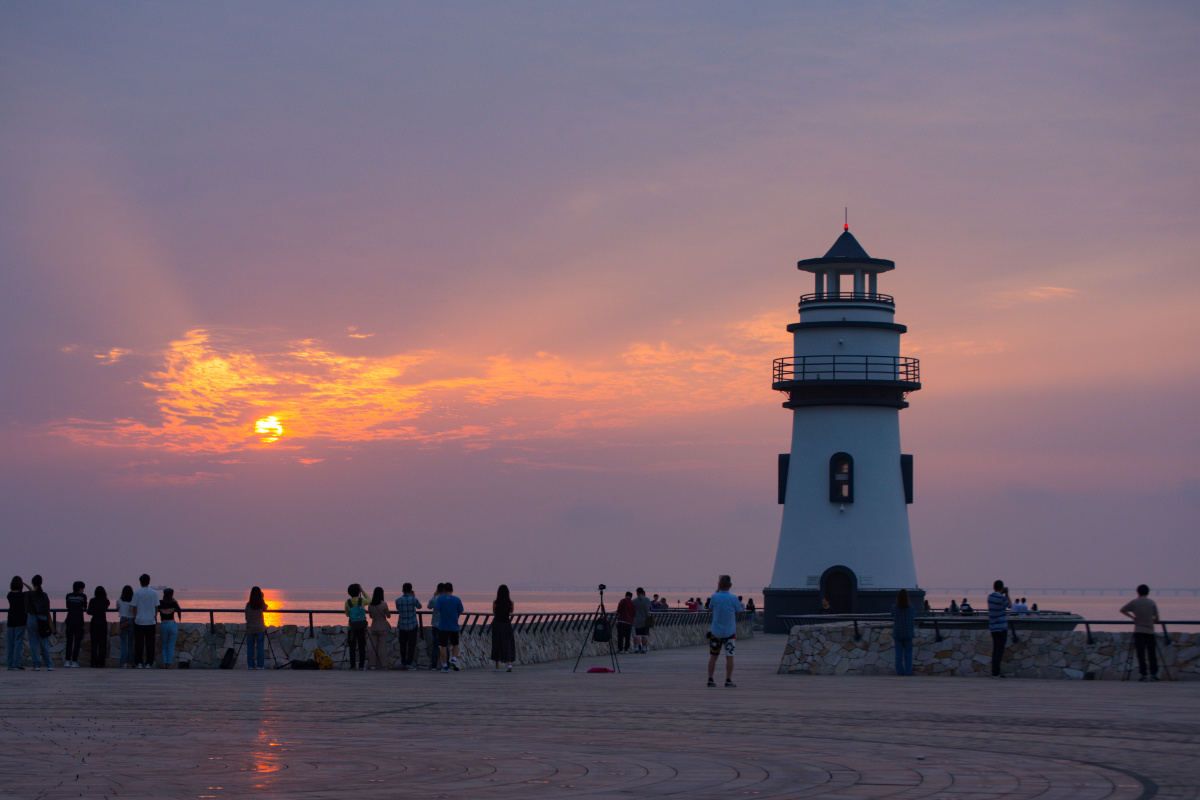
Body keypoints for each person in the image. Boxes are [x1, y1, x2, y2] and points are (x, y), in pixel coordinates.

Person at [706, 575, 744, 687]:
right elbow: (738, 611)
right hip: (730, 632)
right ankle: (728, 680)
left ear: (719, 584)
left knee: (713, 656)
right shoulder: (734, 598)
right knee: (730, 656)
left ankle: (710, 679)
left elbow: (710, 608)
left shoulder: (714, 596)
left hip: (715, 632)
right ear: (730, 585)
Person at [1120, 585, 1161, 682]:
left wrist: (1133, 618)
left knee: (1140, 654)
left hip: (1138, 631)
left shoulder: (1135, 602)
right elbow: (1157, 618)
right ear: (1148, 592)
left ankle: (1144, 674)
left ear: (1138, 592)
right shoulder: (1151, 603)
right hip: (1150, 631)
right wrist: (1152, 620)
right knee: (1151, 653)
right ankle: (1154, 674)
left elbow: (1122, 610)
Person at [434, 582, 465, 672]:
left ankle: (445, 666)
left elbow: (436, 610)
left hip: (443, 626)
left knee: (443, 646)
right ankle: (454, 660)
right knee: (456, 644)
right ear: (452, 589)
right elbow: (460, 611)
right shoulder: (457, 599)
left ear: (444, 590)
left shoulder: (440, 598)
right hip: (454, 626)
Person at [25, 575, 54, 671]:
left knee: (33, 643)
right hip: (42, 619)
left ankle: (36, 665)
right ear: (41, 583)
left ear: (33, 583)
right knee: (44, 643)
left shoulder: (29, 594)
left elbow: (26, 607)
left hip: (32, 618)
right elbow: (47, 609)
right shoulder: (44, 595)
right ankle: (49, 664)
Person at [130, 574, 159, 669]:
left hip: (139, 621)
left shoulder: (137, 593)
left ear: (140, 582)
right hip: (150, 621)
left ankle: (139, 662)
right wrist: (155, 616)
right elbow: (156, 606)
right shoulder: (154, 593)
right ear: (149, 582)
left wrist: (135, 617)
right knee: (150, 643)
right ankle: (149, 663)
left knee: (139, 643)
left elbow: (134, 607)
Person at [987, 580, 1012, 678]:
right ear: (1002, 588)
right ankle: (996, 672)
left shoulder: (990, 597)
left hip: (993, 627)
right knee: (999, 651)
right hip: (1001, 628)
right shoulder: (1002, 598)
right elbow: (1009, 605)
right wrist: (1007, 594)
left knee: (995, 650)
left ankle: (994, 671)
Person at [393, 583, 421, 670]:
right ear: (411, 590)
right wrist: (414, 596)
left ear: (402, 590)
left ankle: (404, 663)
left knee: (403, 645)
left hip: (402, 625)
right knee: (411, 645)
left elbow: (398, 609)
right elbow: (419, 606)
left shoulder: (398, 600)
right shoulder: (413, 599)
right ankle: (409, 663)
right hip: (412, 624)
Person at [490, 584, 516, 672]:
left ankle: (497, 666)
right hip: (506, 624)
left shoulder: (495, 602)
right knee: (508, 643)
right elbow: (512, 611)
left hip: (497, 623)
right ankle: (509, 664)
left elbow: (494, 612)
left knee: (496, 644)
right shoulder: (510, 603)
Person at [7, 576, 30, 671]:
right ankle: (17, 664)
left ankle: (10, 664)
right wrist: (24, 583)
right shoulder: (23, 595)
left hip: (11, 621)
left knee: (10, 644)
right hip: (20, 621)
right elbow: (33, 591)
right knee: (18, 644)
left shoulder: (9, 595)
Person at [891, 588, 916, 676]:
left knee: (898, 654)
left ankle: (900, 672)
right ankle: (908, 672)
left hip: (898, 633)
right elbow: (914, 615)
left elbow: (893, 615)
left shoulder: (895, 607)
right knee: (908, 654)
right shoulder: (911, 607)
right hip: (908, 633)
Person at [64, 581, 88, 667]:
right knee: (77, 641)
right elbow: (85, 606)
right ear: (80, 588)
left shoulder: (68, 596)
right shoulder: (83, 596)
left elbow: (67, 606)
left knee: (69, 641)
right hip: (79, 621)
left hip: (69, 620)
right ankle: (74, 661)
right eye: (83, 589)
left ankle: (67, 661)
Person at [344, 584, 368, 670]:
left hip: (352, 627)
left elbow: (347, 614)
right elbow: (370, 600)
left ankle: (353, 665)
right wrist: (363, 590)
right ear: (359, 592)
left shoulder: (348, 602)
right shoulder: (362, 601)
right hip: (361, 626)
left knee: (352, 647)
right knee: (362, 646)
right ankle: (361, 665)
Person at [367, 587, 391, 670]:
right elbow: (388, 615)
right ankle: (383, 665)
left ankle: (372, 665)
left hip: (374, 626)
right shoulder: (384, 604)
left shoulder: (370, 605)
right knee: (382, 647)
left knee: (373, 646)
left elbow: (370, 616)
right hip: (383, 627)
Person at [245, 587, 268, 670]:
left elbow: (246, 617)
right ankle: (260, 665)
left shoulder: (248, 605)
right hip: (260, 628)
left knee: (250, 648)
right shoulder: (261, 604)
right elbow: (266, 607)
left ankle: (251, 665)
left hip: (250, 628)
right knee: (260, 648)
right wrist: (262, 598)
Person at [87, 586, 110, 668]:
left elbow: (89, 611)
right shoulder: (106, 601)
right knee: (102, 644)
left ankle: (93, 662)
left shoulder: (92, 601)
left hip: (94, 622)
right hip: (102, 622)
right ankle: (101, 662)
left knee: (94, 644)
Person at [158, 588, 182, 668]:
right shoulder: (174, 603)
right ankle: (169, 664)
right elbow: (179, 611)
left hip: (164, 624)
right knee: (171, 646)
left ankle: (164, 663)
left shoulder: (160, 603)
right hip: (172, 623)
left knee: (164, 645)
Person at [425, 583, 445, 670]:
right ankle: (446, 664)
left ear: (437, 590)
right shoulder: (446, 600)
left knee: (435, 646)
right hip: (445, 625)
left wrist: (433, 596)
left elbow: (429, 606)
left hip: (436, 626)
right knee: (445, 645)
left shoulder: (435, 600)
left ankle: (434, 665)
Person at [117, 585, 136, 668]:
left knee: (123, 643)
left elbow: (118, 609)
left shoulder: (119, 600)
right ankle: (131, 663)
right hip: (131, 621)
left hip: (123, 621)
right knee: (131, 644)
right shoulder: (133, 601)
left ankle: (124, 663)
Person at [632, 587, 653, 653]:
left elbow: (632, 610)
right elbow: (650, 609)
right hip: (646, 620)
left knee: (637, 635)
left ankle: (636, 648)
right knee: (645, 635)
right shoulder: (648, 600)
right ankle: (644, 648)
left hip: (637, 620)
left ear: (637, 592)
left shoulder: (634, 601)